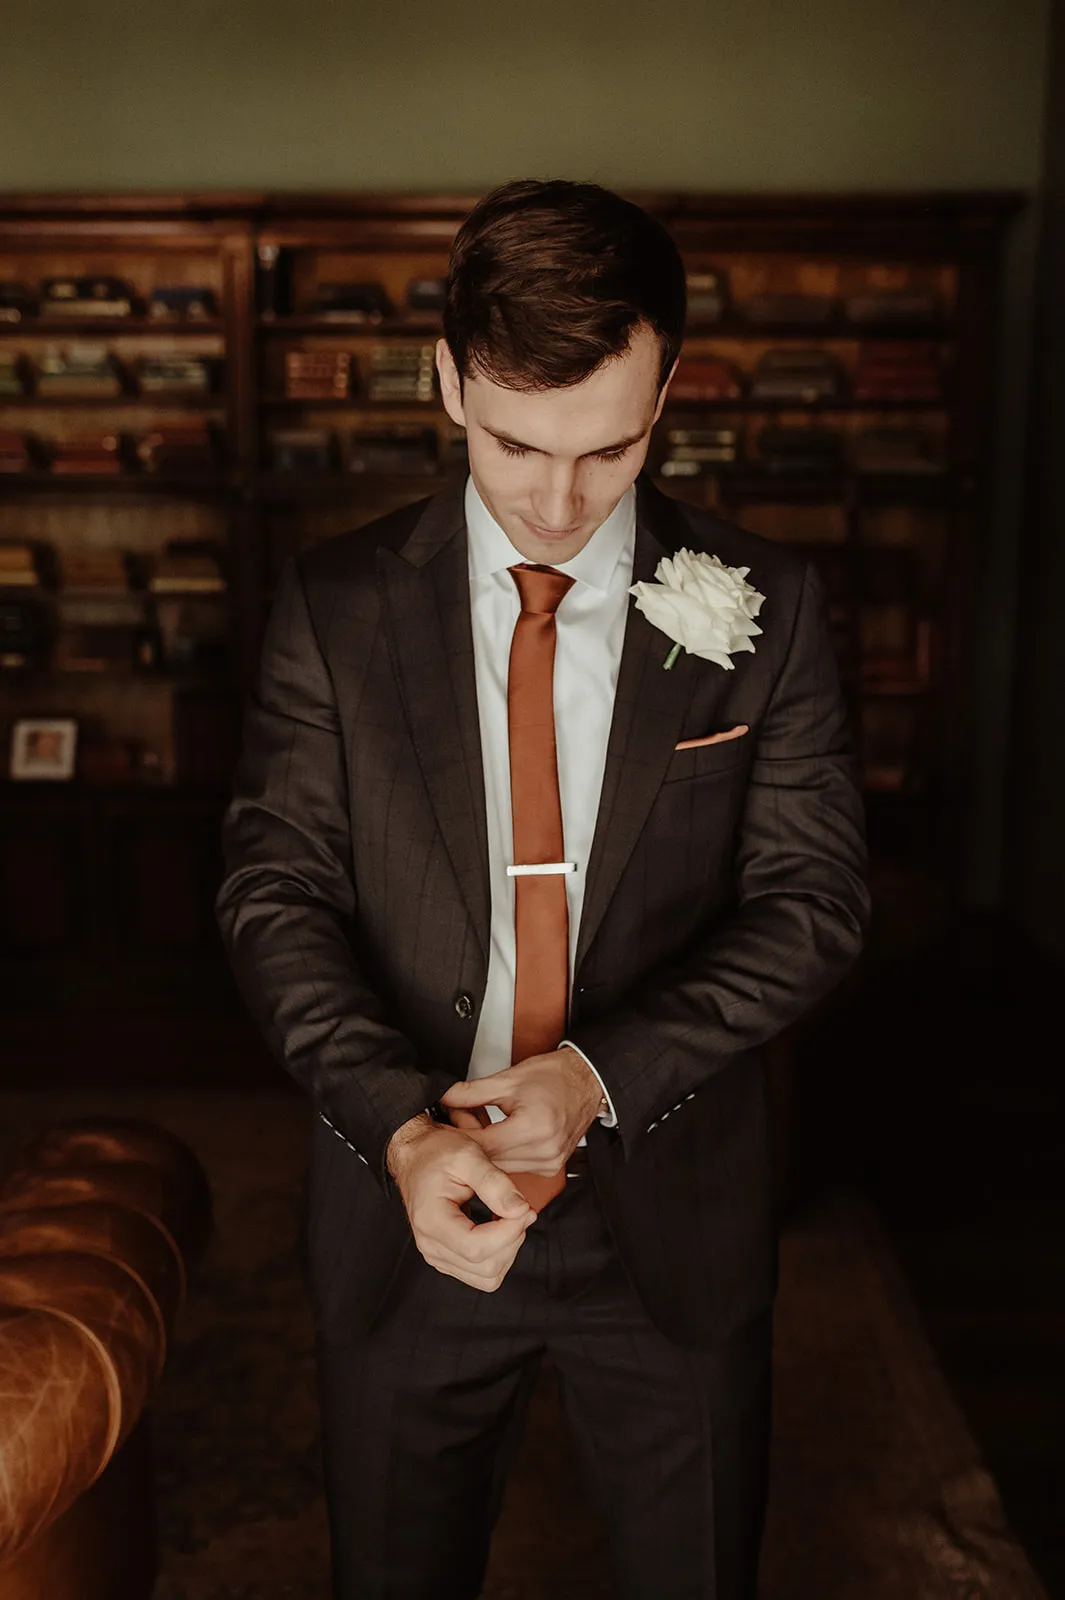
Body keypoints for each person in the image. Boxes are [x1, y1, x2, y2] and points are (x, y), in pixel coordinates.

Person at [215, 178, 870, 1599]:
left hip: (675, 1222)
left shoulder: (771, 600)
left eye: (612, 449)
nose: (560, 501)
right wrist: (398, 1126)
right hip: (404, 1210)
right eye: (516, 443)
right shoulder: (335, 607)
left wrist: (596, 1075)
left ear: (669, 389)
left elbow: (814, 902)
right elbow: (276, 896)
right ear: (445, 377)